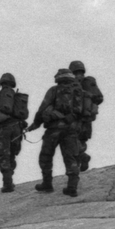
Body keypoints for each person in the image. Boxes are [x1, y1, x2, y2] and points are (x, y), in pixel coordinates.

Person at [26, 68, 83, 196]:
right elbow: (81, 111)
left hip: (53, 130)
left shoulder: (54, 90)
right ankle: (72, 186)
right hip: (71, 129)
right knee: (71, 157)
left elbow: (42, 108)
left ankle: (47, 184)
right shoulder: (78, 91)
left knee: (46, 156)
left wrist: (35, 124)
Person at [0, 73, 28, 192]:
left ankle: (7, 183)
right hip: (17, 129)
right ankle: (10, 179)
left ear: (1, 83)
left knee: (3, 154)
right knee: (12, 153)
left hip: (4, 129)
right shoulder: (18, 97)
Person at [68, 60, 104, 171]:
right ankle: (78, 164)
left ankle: (82, 158)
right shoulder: (90, 82)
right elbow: (99, 98)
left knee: (70, 140)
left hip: (76, 118)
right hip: (88, 117)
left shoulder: (72, 83)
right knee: (81, 140)